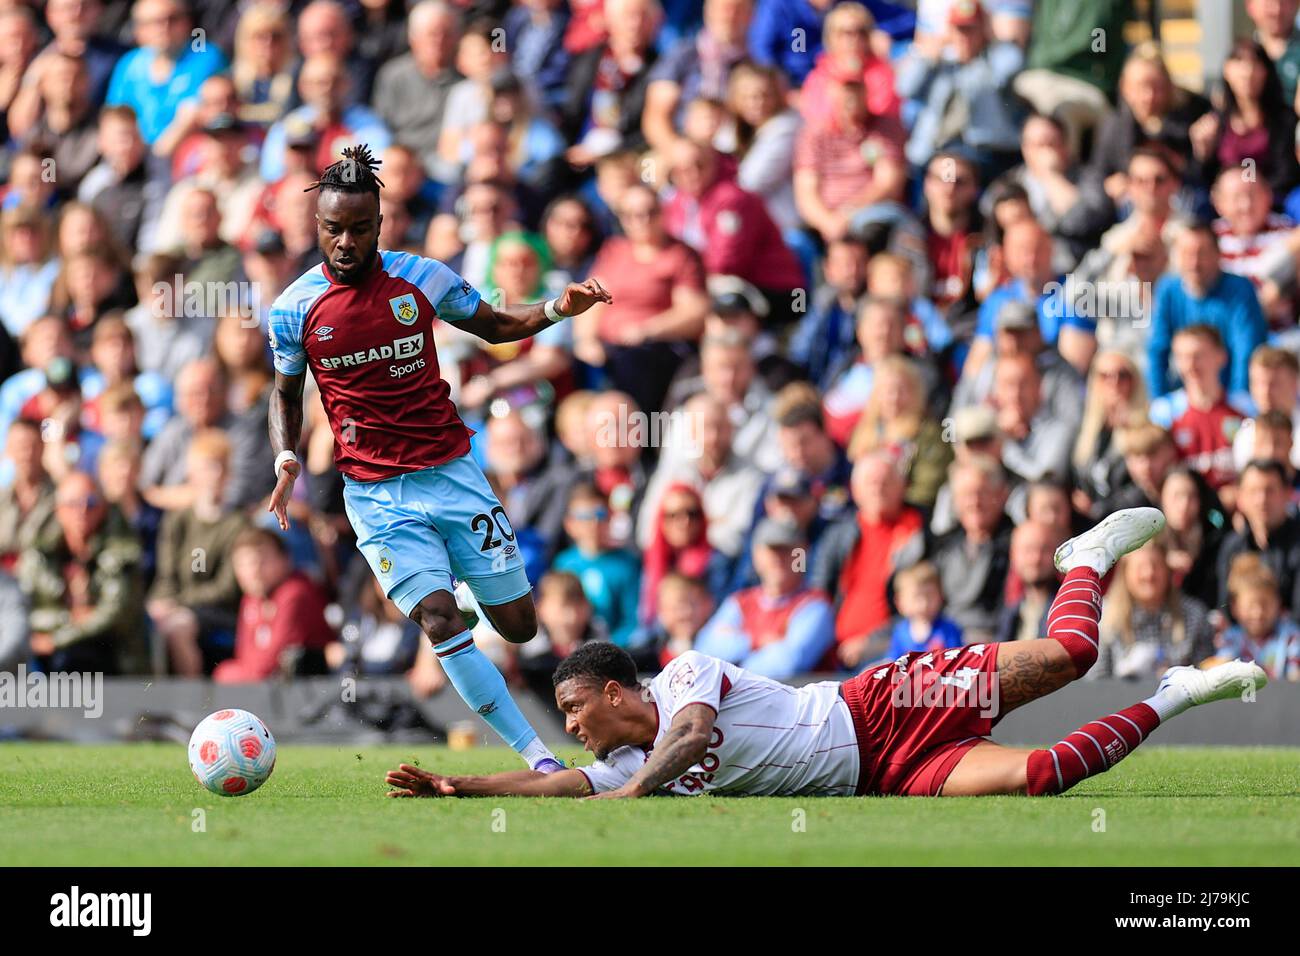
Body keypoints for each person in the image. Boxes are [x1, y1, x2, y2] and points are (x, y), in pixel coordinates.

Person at [384, 508, 1269, 799]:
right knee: (1040, 781)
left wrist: (635, 795)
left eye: (575, 710)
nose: (571, 729)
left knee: (1074, 652)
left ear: (618, 691)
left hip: (883, 704)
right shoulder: (623, 761)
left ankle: (1082, 560)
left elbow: (691, 738)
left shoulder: (685, 674)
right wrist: (460, 787)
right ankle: (1181, 693)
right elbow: (555, 788)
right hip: (879, 776)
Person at [265, 144, 612, 774]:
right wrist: (287, 455)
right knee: (436, 617)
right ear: (317, 225)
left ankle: (468, 577)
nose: (345, 242)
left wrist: (560, 308)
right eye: (333, 229)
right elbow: (285, 393)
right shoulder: (293, 308)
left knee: (519, 627)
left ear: (380, 223)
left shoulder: (421, 277)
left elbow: (497, 326)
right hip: (374, 494)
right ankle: (538, 760)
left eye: (360, 229)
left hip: (452, 474)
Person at [693, 517, 835, 680]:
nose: (779, 558)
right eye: (772, 550)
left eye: (788, 550)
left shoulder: (815, 605)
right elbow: (703, 652)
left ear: (802, 554)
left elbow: (788, 663)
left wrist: (730, 669)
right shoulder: (739, 601)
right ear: (756, 555)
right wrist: (756, 641)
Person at [1147, 223, 1268, 398]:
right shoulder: (1167, 290)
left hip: (1230, 396)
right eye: (1186, 254)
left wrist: (1237, 403)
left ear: (1218, 255)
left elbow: (1246, 350)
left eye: (1201, 253)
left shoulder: (1239, 290)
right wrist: (1158, 402)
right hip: (1184, 395)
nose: (1194, 263)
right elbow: (1157, 349)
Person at [213, 528, 334, 682]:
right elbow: (245, 658)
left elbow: (271, 664)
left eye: (261, 561)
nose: (253, 571)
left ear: (286, 560)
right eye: (243, 564)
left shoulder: (296, 594)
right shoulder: (251, 599)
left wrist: (226, 673)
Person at [1095, 539, 1216, 680]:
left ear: (1167, 570)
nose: (1149, 574)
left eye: (1156, 565)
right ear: (1125, 572)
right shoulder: (1105, 617)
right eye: (1140, 567)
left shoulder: (1194, 615)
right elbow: (1095, 684)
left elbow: (1206, 679)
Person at [1214, 554, 1300, 681]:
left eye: (1265, 604)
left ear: (1278, 602)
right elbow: (1221, 671)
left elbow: (1295, 677)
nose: (1258, 613)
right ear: (1235, 607)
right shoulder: (1230, 639)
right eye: (1250, 606)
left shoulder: (1291, 637)